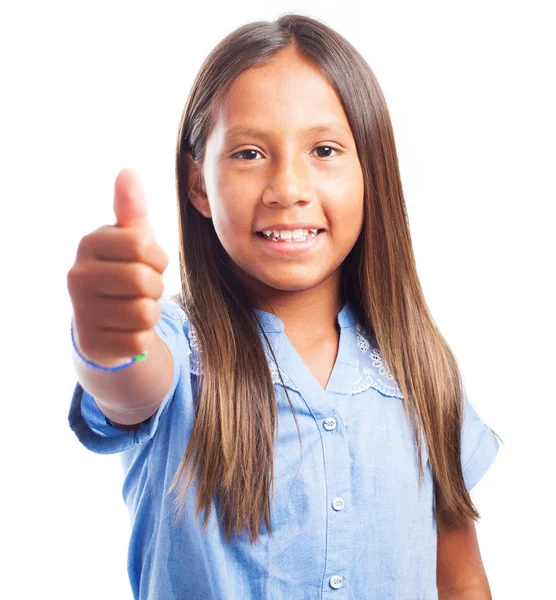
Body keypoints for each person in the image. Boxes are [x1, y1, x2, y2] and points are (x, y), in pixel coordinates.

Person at [67, 13, 502, 600]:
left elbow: (461, 577)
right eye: (249, 153)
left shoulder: (421, 369)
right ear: (198, 185)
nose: (288, 187)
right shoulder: (178, 344)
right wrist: (110, 341)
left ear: (370, 172)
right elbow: (130, 383)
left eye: (324, 149)